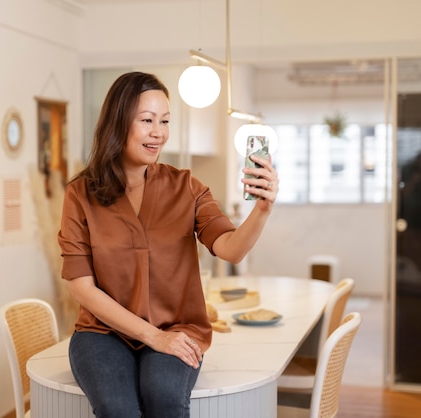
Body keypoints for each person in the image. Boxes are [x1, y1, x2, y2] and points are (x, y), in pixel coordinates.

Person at [57, 71, 278, 418]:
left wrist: (262, 209)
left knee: (163, 397)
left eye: (164, 121)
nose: (158, 132)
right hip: (102, 334)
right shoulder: (80, 194)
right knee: (118, 410)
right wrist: (152, 336)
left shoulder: (186, 187)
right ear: (118, 123)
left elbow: (230, 248)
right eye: (146, 120)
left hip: (176, 328)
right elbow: (82, 289)